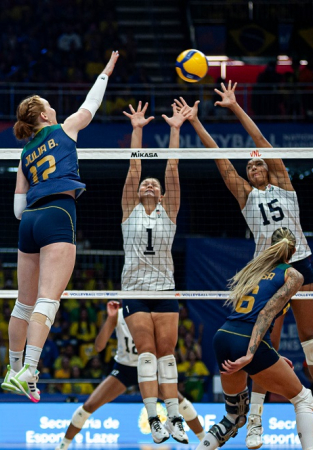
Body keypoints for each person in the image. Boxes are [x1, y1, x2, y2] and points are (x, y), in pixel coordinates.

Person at [182, 81, 313, 448]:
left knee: (311, 340)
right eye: (250, 164)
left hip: (299, 260)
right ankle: (254, 420)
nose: (254, 165)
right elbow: (219, 158)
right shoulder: (246, 197)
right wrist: (196, 122)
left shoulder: (284, 185)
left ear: (268, 169)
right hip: (265, 267)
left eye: (258, 163)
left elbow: (260, 139)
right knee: (264, 341)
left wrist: (236, 107)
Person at [2, 51, 120, 402]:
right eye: (49, 106)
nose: (54, 109)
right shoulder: (65, 128)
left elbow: (17, 209)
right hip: (58, 213)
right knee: (47, 301)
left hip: (30, 223)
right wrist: (106, 71)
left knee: (23, 305)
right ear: (43, 115)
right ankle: (31, 371)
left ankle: (13, 369)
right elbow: (92, 104)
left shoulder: (24, 155)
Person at [198, 228, 313, 450]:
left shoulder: (254, 270)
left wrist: (274, 356)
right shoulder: (294, 275)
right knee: (303, 398)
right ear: (293, 251)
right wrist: (250, 355)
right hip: (247, 342)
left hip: (224, 336)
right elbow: (265, 314)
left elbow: (249, 316)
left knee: (234, 417)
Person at [119, 100, 190, 443]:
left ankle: (174, 416)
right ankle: (154, 419)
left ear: (162, 195)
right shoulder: (129, 211)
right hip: (134, 289)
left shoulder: (168, 213)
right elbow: (134, 169)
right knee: (146, 350)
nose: (148, 185)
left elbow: (172, 169)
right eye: (145, 184)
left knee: (167, 352)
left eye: (154, 184)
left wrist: (175, 129)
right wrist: (138, 130)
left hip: (164, 288)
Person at [55, 301, 205, 450]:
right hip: (124, 369)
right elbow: (99, 346)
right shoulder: (119, 314)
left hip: (151, 370)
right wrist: (110, 318)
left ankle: (206, 442)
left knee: (181, 403)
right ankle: (62, 446)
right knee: (89, 406)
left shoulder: (154, 315)